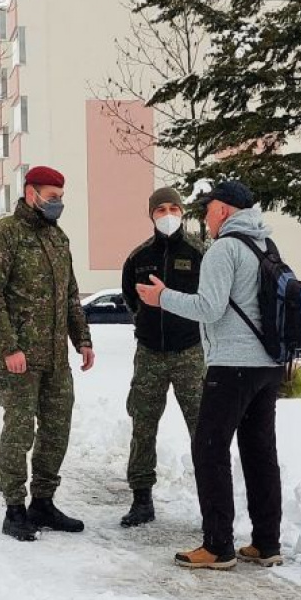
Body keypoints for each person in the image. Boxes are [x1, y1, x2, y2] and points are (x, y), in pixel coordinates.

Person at [137, 180, 285, 570]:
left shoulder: (224, 248)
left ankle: (218, 546)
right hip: (268, 367)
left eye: (207, 209)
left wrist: (162, 297)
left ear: (223, 209)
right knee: (260, 453)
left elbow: (209, 308)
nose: (204, 216)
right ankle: (267, 542)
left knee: (209, 450)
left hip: (232, 365)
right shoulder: (266, 245)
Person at [0, 166, 95, 542]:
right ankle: (14, 509)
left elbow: (70, 295)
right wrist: (8, 347)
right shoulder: (3, 235)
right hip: (21, 358)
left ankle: (43, 502)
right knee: (19, 430)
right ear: (31, 193)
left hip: (56, 357)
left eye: (61, 197)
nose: (58, 203)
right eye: (52, 197)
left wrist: (83, 339)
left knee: (57, 430)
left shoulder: (58, 239)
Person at [120, 187, 205, 527]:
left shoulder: (200, 253)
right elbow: (131, 301)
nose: (167, 214)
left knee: (202, 429)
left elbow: (210, 301)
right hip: (150, 354)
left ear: (182, 212)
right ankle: (141, 499)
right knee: (143, 426)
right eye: (160, 209)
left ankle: (212, 502)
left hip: (190, 354)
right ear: (151, 214)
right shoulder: (138, 257)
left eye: (173, 208)